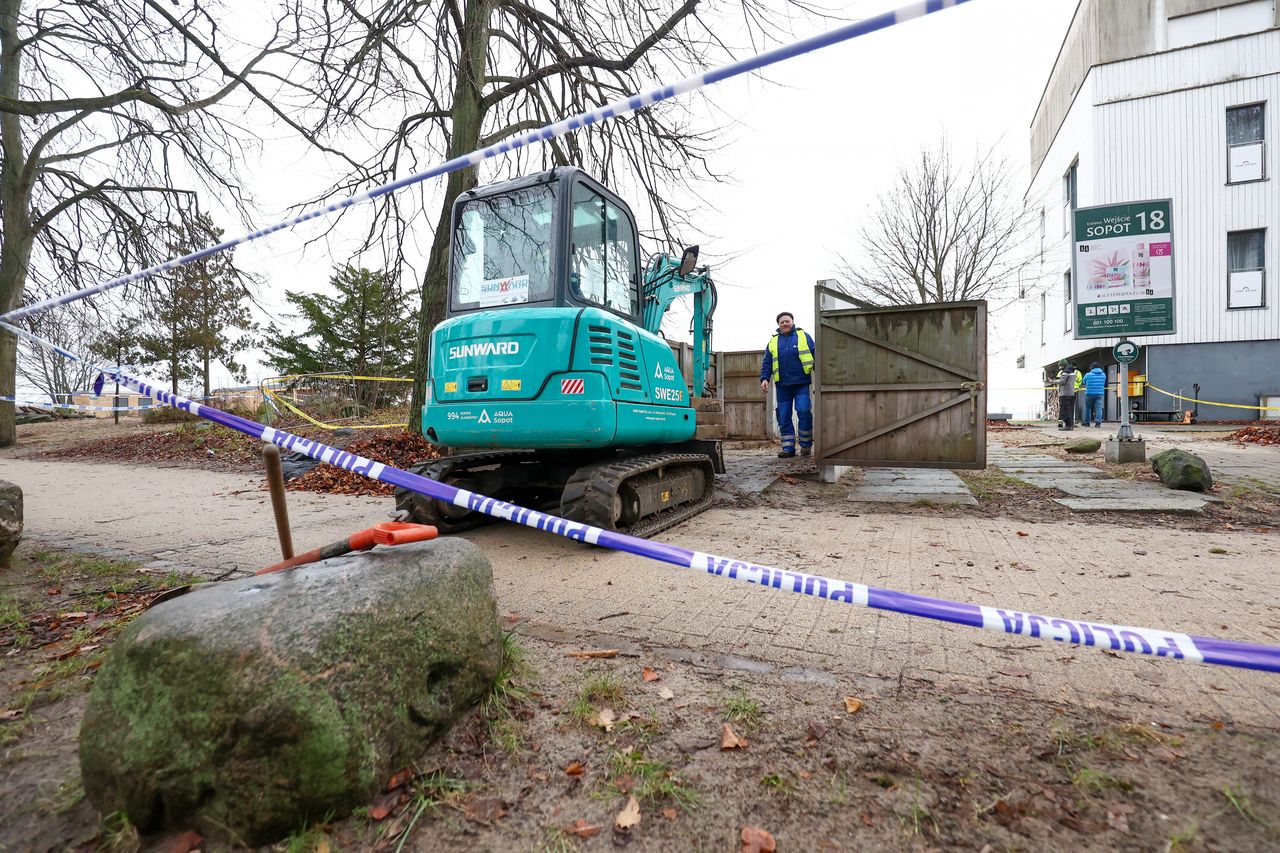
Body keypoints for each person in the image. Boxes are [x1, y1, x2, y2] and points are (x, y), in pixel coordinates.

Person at [760, 311, 815, 458]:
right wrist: (764, 378)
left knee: (803, 410)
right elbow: (767, 362)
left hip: (801, 383)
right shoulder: (773, 341)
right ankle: (788, 448)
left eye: (787, 321)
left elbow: (816, 354)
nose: (785, 323)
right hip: (782, 385)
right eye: (782, 322)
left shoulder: (803, 336)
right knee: (783, 416)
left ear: (792, 322)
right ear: (778, 324)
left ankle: (806, 445)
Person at [1083, 361, 1106, 427]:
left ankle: (1087, 422)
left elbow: (1084, 381)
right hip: (1099, 394)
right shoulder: (1103, 374)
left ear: (1091, 368)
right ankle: (1098, 423)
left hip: (1089, 393)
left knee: (1088, 408)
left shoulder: (1088, 374)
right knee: (1098, 408)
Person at [1056, 359, 1076, 430]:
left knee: (1064, 410)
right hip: (1071, 393)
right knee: (1070, 410)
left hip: (1065, 393)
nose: (1059, 368)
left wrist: (1053, 381)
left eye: (1060, 366)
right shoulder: (1073, 372)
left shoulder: (1065, 372)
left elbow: (1062, 382)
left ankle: (1068, 426)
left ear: (1062, 366)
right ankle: (1070, 425)